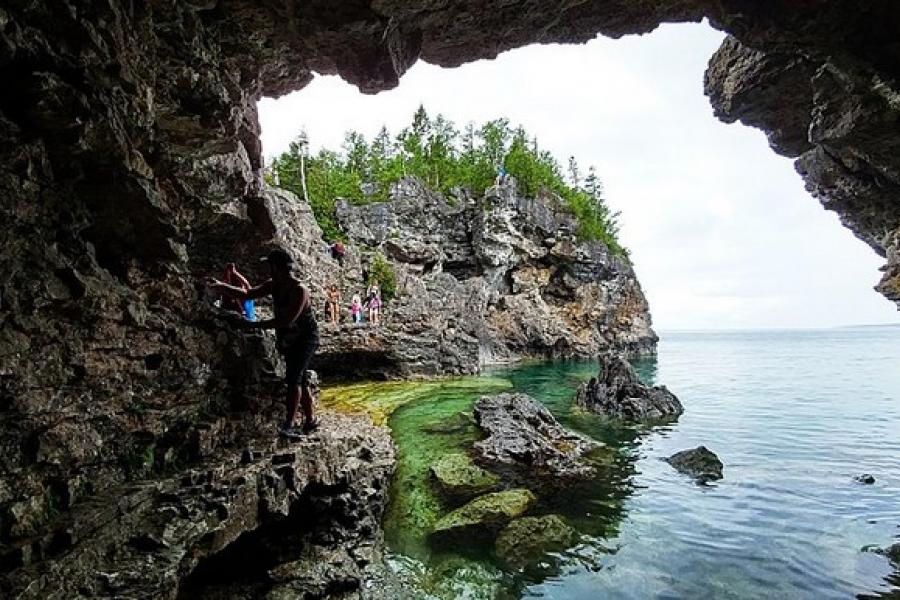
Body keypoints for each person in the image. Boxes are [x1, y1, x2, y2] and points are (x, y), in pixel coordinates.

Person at [208, 248, 319, 437]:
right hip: (288, 337)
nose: (268, 270)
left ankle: (289, 425)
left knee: (293, 379)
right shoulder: (273, 285)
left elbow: (287, 320)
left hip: (305, 338)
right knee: (299, 378)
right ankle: (310, 420)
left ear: (276, 268)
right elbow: (247, 294)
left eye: (270, 266)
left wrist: (253, 325)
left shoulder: (299, 290)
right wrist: (221, 286)